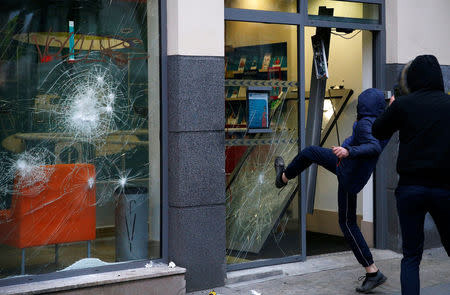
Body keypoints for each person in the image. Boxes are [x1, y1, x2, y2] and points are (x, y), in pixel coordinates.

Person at [275, 88, 389, 293]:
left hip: (346, 170)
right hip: (351, 171)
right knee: (310, 153)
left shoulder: (365, 124)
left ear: (364, 107)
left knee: (346, 223)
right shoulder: (384, 124)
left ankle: (372, 271)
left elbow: (374, 147)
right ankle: (283, 178)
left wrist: (348, 150)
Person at [372, 55, 450, 295]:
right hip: (444, 189)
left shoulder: (404, 105)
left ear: (413, 77)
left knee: (411, 257)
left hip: (409, 189)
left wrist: (393, 105)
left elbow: (377, 130)